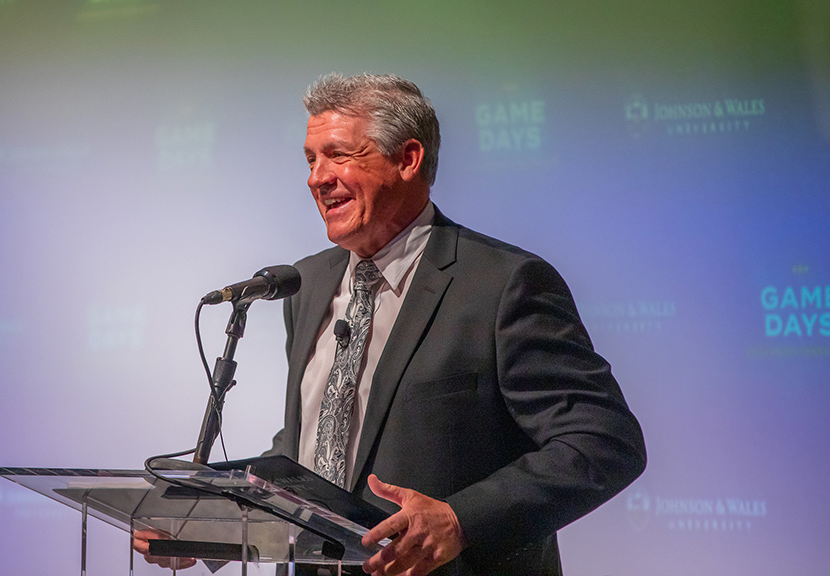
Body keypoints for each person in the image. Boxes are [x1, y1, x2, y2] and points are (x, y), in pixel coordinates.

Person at [136, 73, 646, 576]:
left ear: (408, 159)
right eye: (311, 159)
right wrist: (212, 528)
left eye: (339, 154)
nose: (317, 177)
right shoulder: (307, 283)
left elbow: (603, 443)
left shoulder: (502, 285)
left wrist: (460, 521)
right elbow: (311, 450)